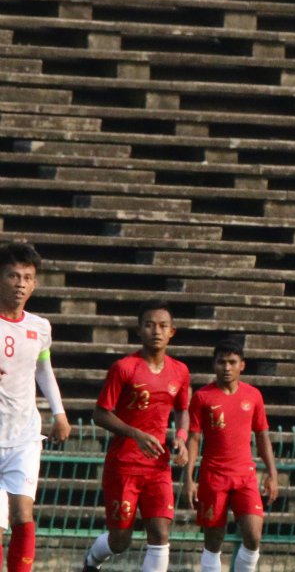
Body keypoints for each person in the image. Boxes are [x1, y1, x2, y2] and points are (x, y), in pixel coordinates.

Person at [82, 299, 190, 572]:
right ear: (139, 330)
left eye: (163, 325)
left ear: (172, 332)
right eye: (150, 325)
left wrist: (181, 436)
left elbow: (182, 410)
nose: (156, 330)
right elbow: (100, 413)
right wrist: (136, 434)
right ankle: (91, 561)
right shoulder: (124, 368)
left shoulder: (180, 371)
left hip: (158, 466)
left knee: (160, 533)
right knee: (120, 541)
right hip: (124, 465)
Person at [0, 242, 72, 571]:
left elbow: (43, 369)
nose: (20, 283)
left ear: (35, 283)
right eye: (13, 275)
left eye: (27, 277)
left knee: (22, 514)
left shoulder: (40, 327)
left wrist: (59, 413)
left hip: (25, 435)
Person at [182, 337, 278, 572]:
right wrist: (189, 478)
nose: (226, 367)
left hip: (245, 475)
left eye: (232, 362)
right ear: (214, 365)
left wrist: (272, 474)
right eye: (221, 362)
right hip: (213, 476)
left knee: (254, 536)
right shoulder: (203, 397)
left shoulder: (253, 396)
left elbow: (262, 436)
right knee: (214, 540)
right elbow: (194, 439)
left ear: (242, 365)